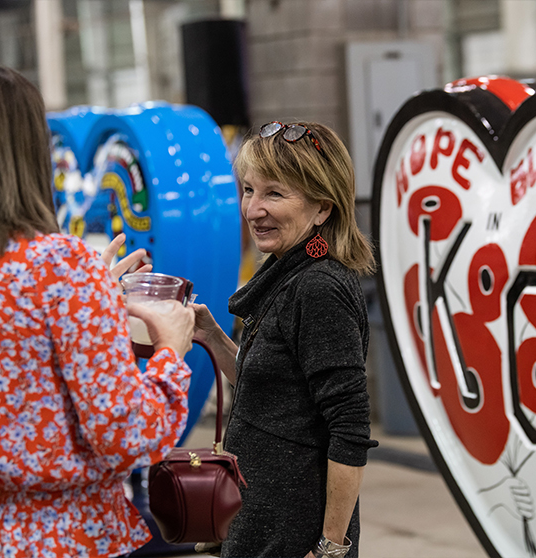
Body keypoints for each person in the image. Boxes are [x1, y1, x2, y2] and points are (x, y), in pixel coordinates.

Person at [0, 61, 198, 557]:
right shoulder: (62, 267)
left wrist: (90, 290)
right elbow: (123, 433)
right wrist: (169, 349)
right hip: (64, 538)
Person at [190, 120, 376, 558]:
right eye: (249, 190)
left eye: (274, 193)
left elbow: (349, 429)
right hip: (258, 526)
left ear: (322, 208)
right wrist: (213, 336)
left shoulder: (318, 288)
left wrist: (329, 548)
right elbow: (274, 393)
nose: (253, 209)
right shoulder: (288, 271)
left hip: (292, 536)